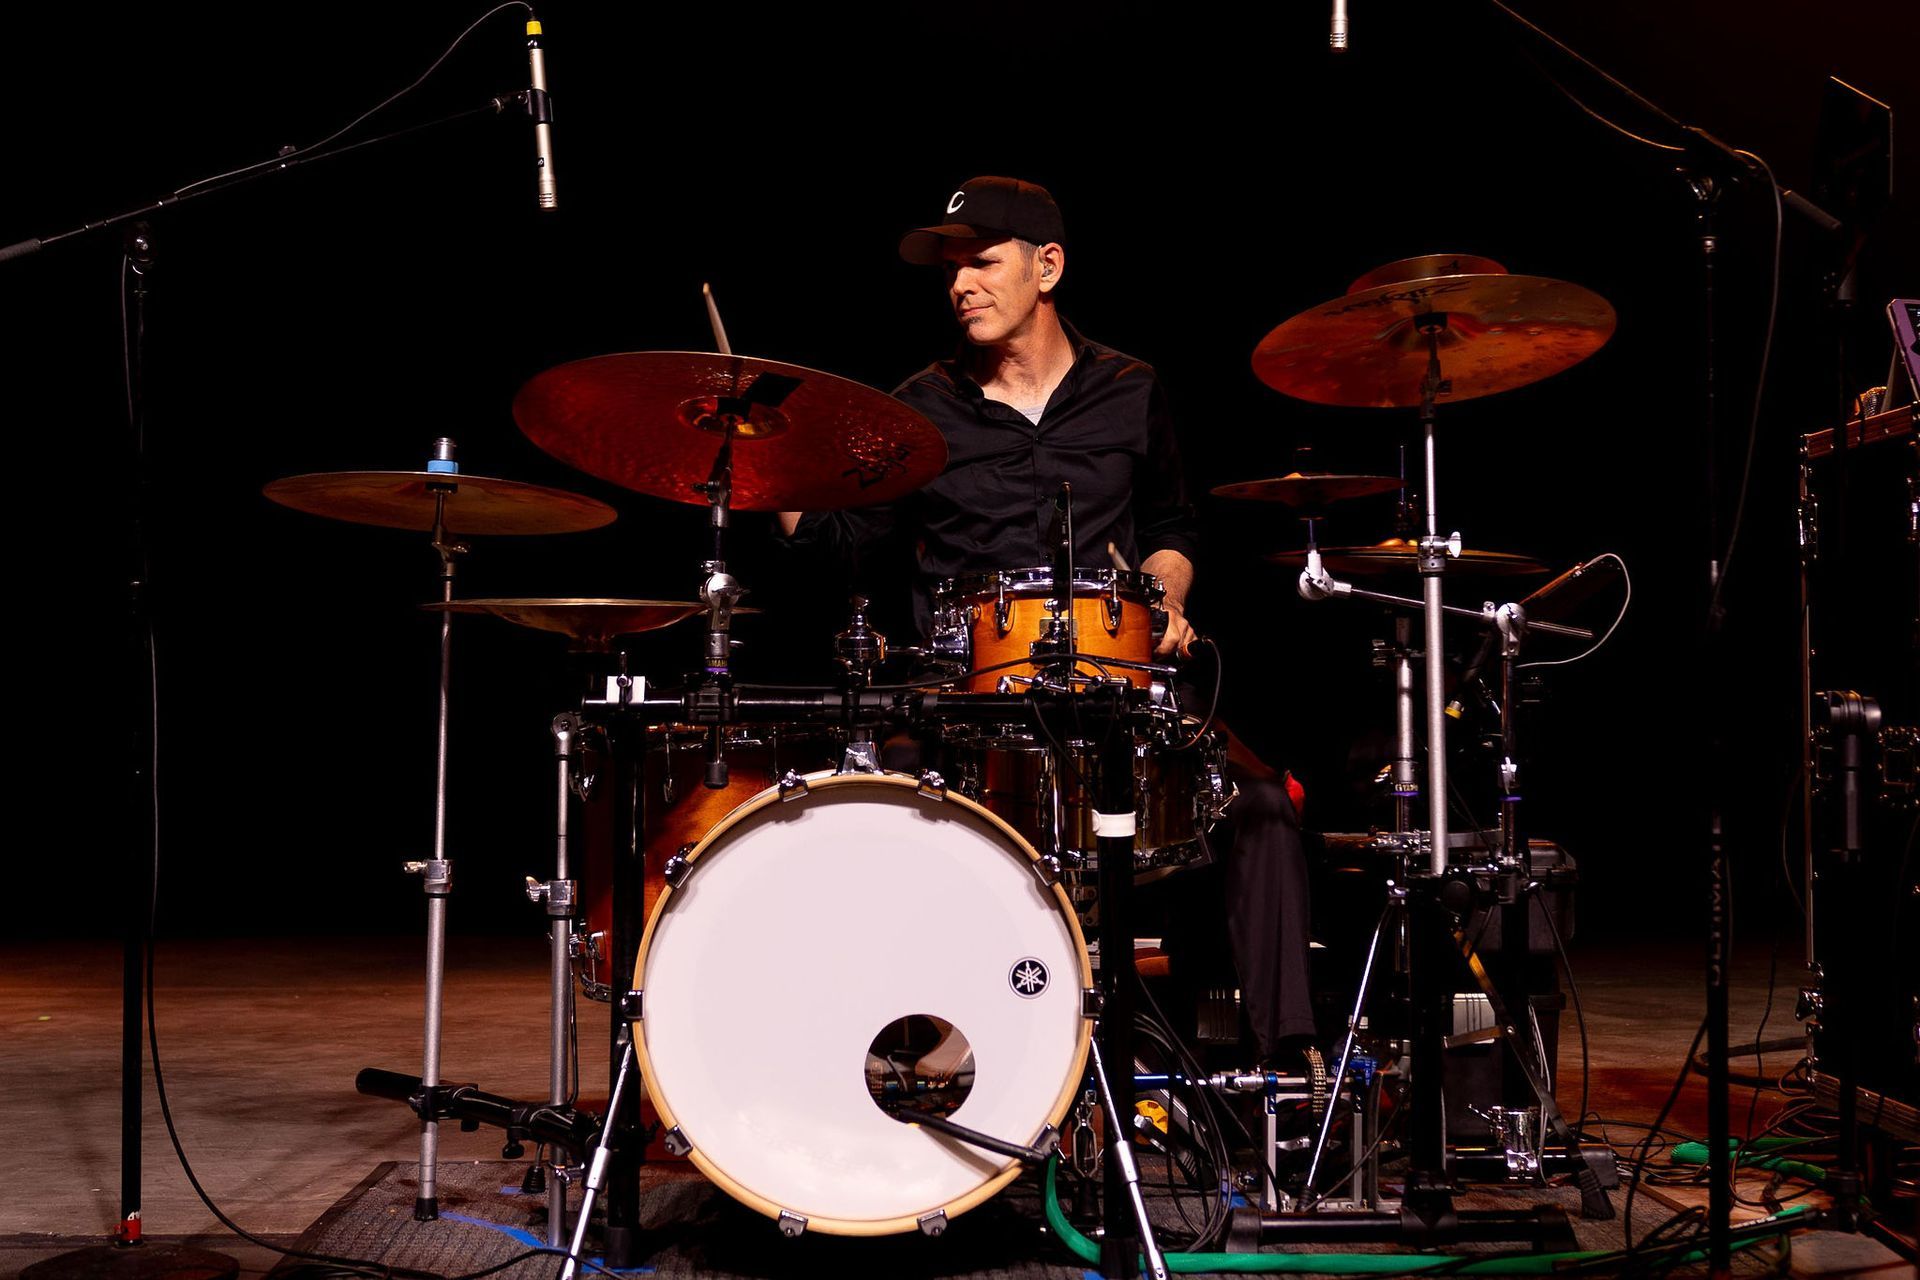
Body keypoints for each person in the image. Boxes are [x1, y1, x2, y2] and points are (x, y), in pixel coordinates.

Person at [777, 176, 1314, 1064]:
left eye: (981, 260)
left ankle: (1283, 1080)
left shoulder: (1130, 388)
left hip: (1116, 694)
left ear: (1048, 265)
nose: (960, 284)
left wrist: (1167, 597)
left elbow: (1173, 527)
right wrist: (770, 467)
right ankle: (937, 1058)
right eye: (950, 268)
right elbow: (837, 542)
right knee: (870, 815)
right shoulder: (919, 407)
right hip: (968, 708)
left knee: (1260, 807)